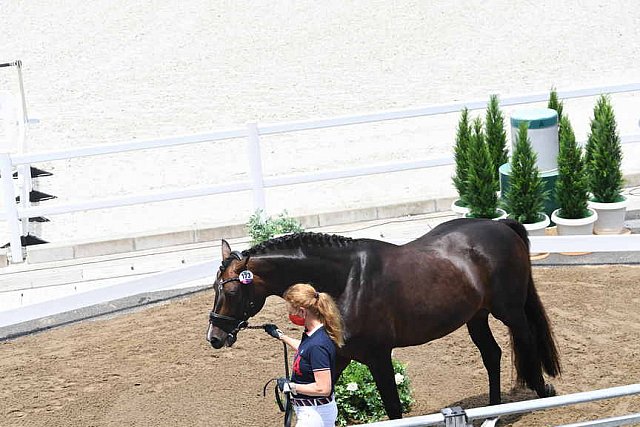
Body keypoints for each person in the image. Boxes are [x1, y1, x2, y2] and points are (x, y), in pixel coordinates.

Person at [264, 283, 344, 427]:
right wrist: (281, 336)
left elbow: (323, 388)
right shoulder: (314, 335)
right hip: (313, 411)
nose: (291, 315)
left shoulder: (317, 345)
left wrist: (291, 387)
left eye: (292, 311)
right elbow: (304, 350)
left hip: (313, 415)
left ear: (302, 312)